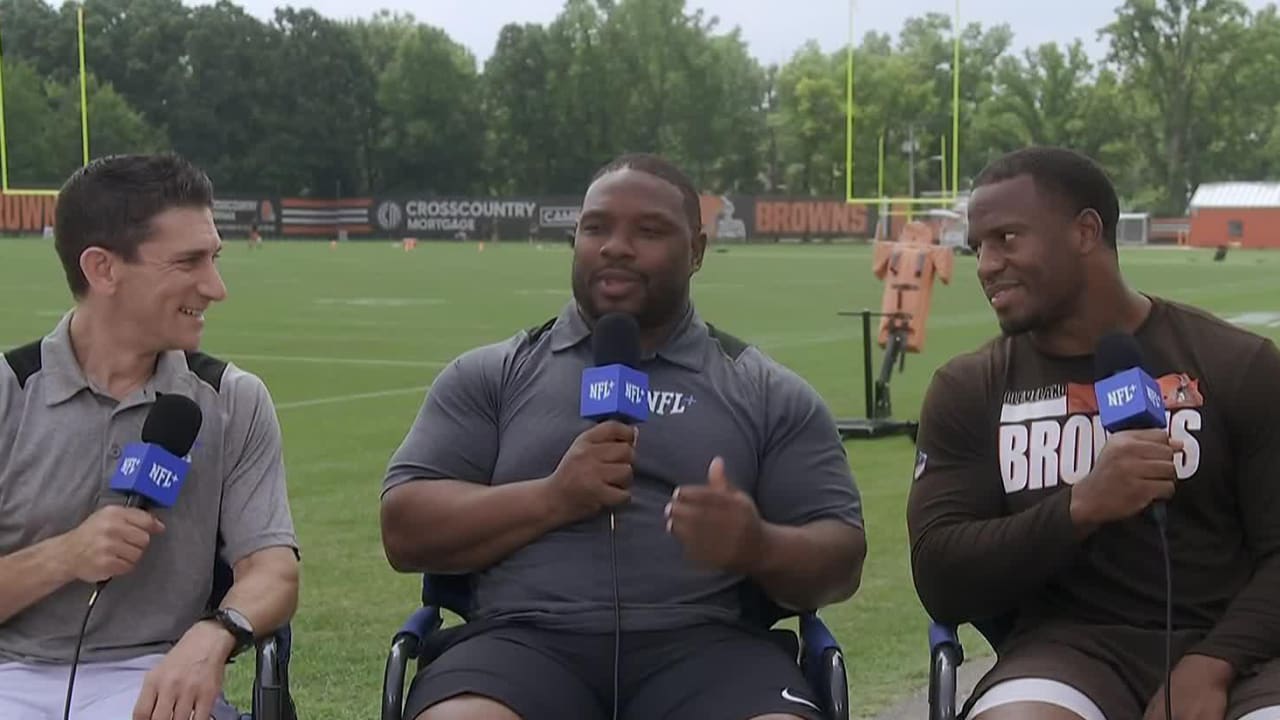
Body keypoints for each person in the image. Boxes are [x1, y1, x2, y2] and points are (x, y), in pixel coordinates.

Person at [381, 152, 867, 720]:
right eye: (596, 227)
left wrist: (755, 544)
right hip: (519, 645)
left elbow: (843, 560)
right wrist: (553, 497)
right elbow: (404, 528)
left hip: (710, 650)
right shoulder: (490, 375)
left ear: (697, 252)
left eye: (650, 231)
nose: (615, 246)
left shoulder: (766, 391)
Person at [906, 146, 1280, 720]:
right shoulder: (969, 388)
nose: (984, 265)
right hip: (1066, 651)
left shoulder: (1239, 365)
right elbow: (941, 577)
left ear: (1085, 232)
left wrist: (1214, 665)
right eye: (977, 246)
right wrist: (1080, 507)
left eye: (1007, 238)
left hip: (1239, 653)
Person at [0, 154, 301, 720]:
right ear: (103, 269)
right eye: (188, 262)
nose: (216, 287)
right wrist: (65, 556)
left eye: (214, 258)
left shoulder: (232, 400)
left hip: (157, 676)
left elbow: (273, 570)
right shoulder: (7, 393)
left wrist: (217, 633)